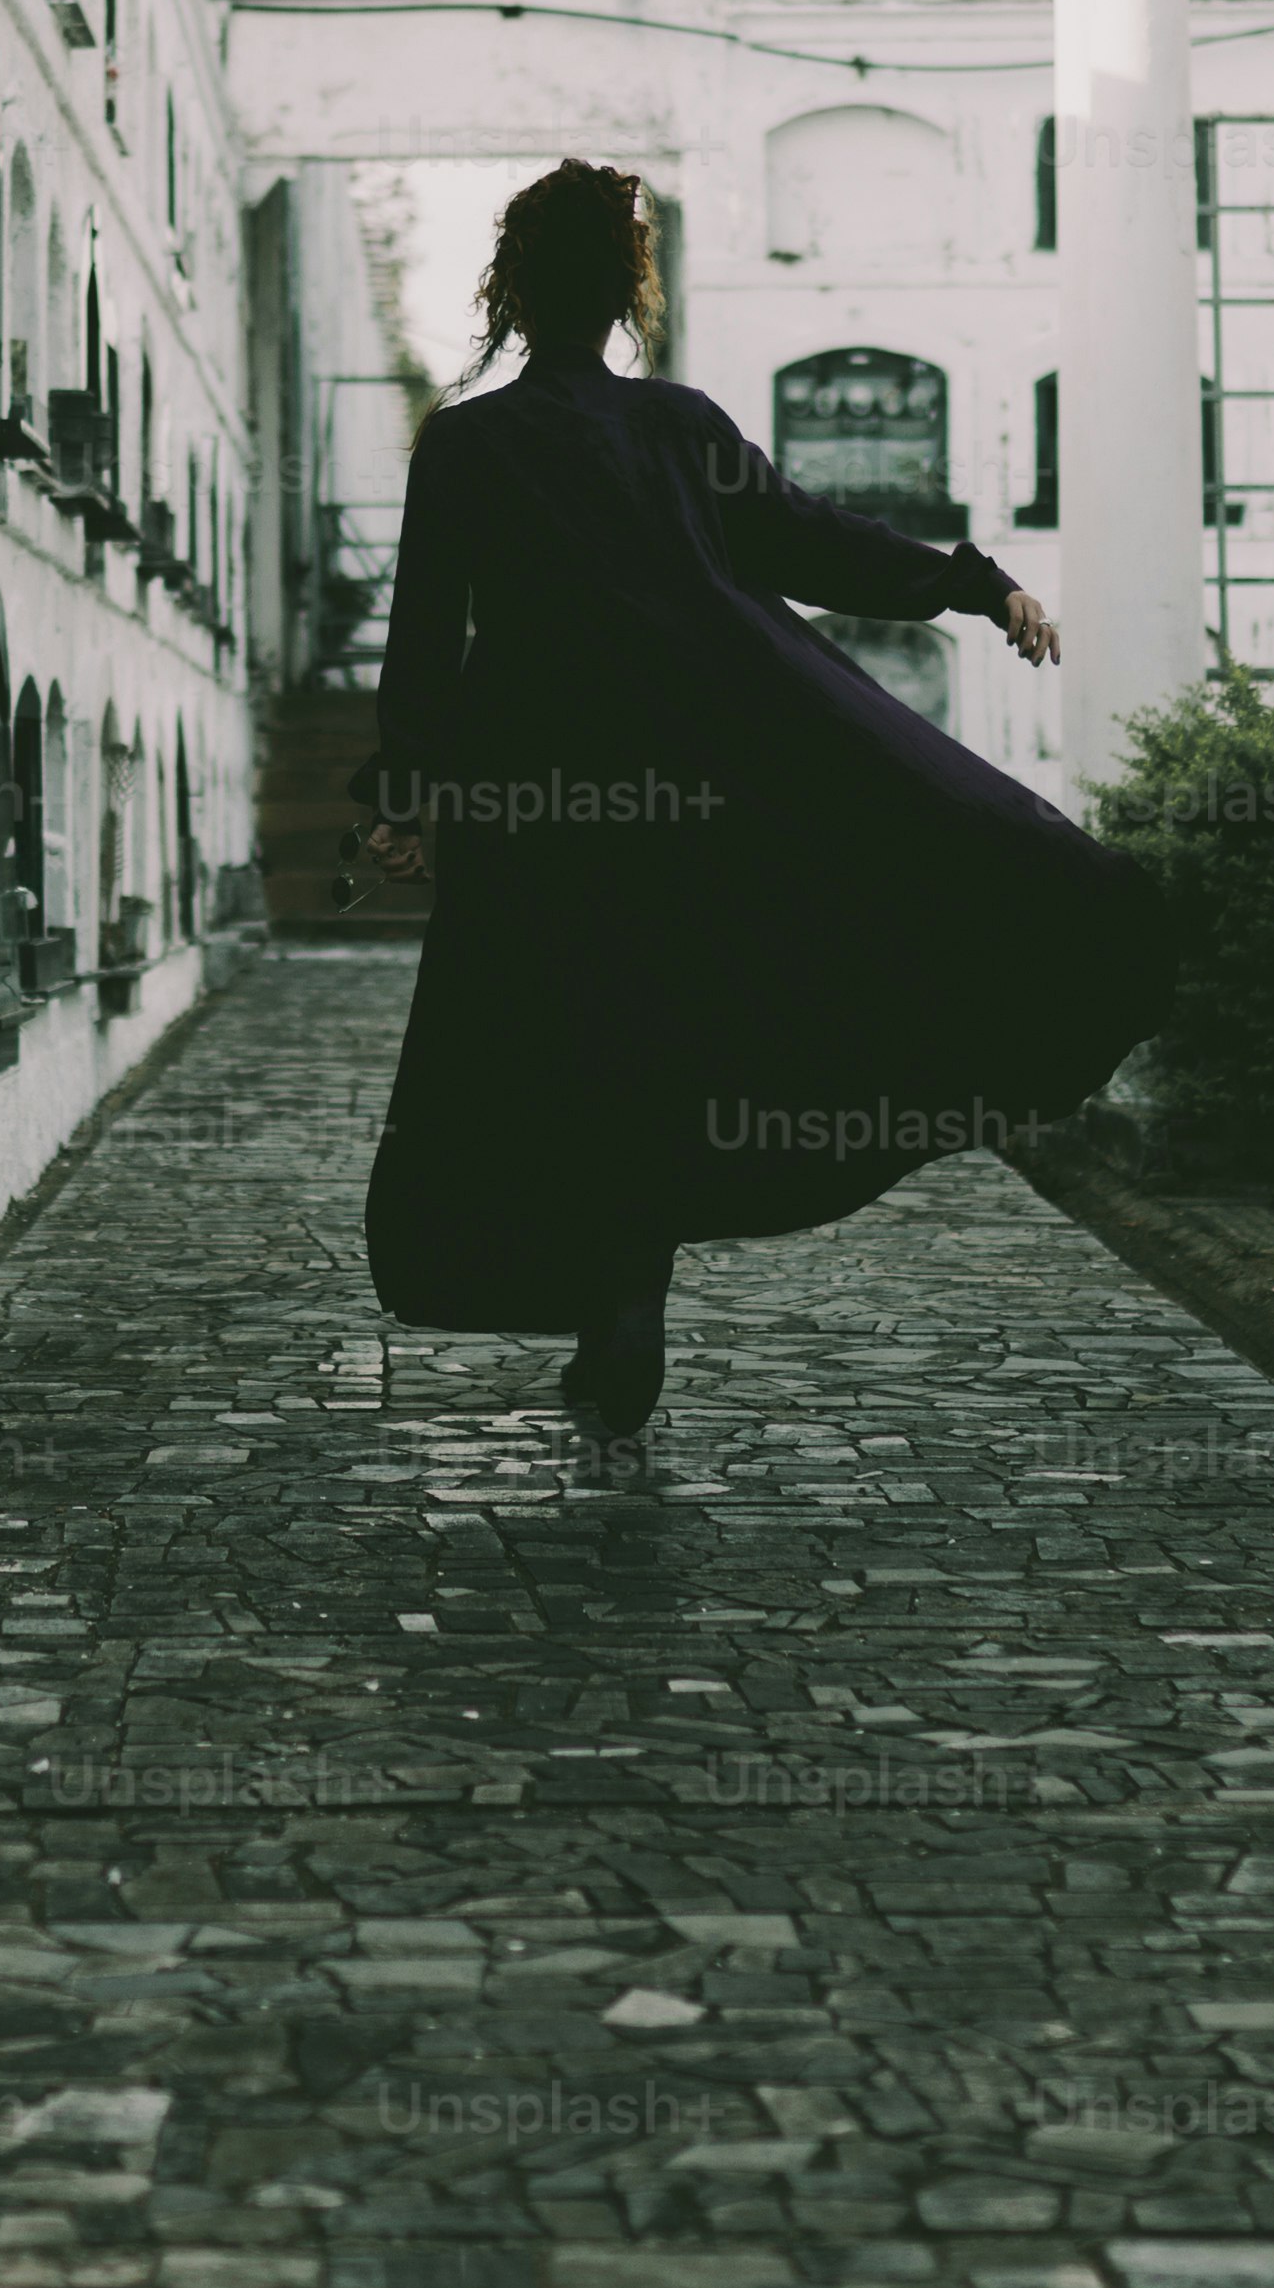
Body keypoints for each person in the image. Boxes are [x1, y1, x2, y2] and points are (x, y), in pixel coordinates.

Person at [352, 160, 1173, 1441]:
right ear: (625, 291)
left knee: (559, 1040)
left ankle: (606, 1298)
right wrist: (970, 583)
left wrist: (400, 798)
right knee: (665, 1030)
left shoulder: (465, 442)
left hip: (531, 795)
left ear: (508, 289)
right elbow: (810, 541)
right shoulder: (679, 428)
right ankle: (627, 1292)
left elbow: (421, 641)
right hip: (691, 777)